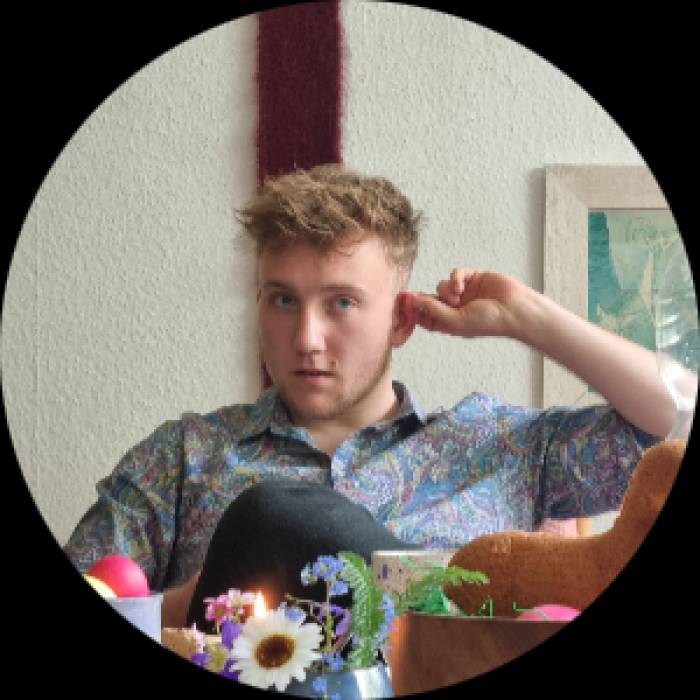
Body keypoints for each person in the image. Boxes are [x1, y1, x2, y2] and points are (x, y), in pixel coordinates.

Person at [63, 164, 675, 629]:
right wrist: (196, 604)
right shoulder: (183, 456)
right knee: (267, 521)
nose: (306, 338)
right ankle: (438, 597)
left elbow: (675, 416)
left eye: (342, 303)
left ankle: (440, 607)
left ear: (402, 320)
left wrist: (528, 317)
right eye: (283, 299)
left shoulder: (499, 445)